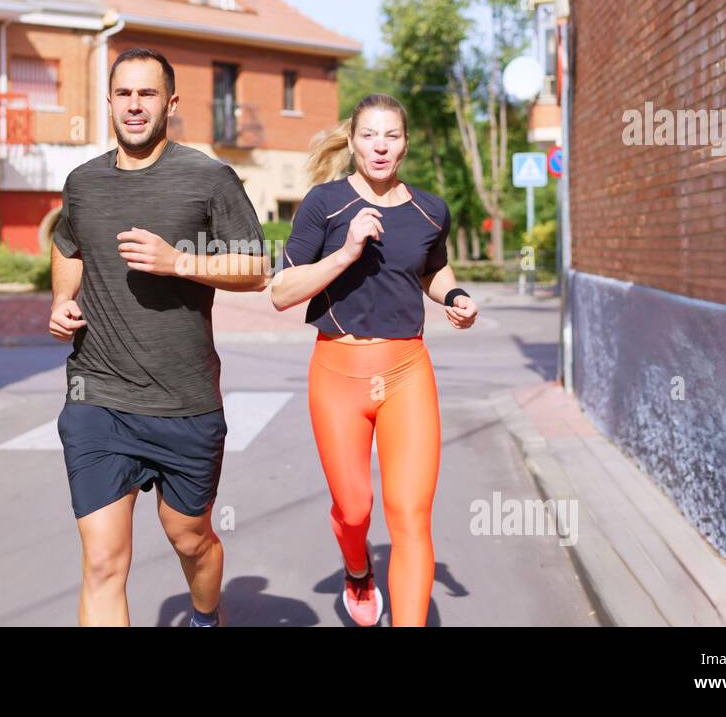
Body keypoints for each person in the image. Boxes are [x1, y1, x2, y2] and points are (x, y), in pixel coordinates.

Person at [48, 47, 268, 627]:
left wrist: (179, 263)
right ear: (109, 101)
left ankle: (203, 616)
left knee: (190, 539)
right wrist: (61, 301)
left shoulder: (208, 178)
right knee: (102, 565)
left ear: (170, 103)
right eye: (124, 93)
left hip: (185, 403)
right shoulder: (83, 182)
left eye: (147, 94)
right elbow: (67, 244)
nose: (135, 105)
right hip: (97, 397)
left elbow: (255, 268)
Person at [269, 93, 479, 626]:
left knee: (410, 516)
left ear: (405, 143)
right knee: (355, 508)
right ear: (353, 140)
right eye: (369, 135)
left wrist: (455, 299)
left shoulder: (430, 209)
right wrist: (346, 252)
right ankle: (358, 567)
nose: (380, 146)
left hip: (407, 371)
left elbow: (434, 271)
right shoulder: (324, 203)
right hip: (338, 374)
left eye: (391, 136)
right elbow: (282, 291)